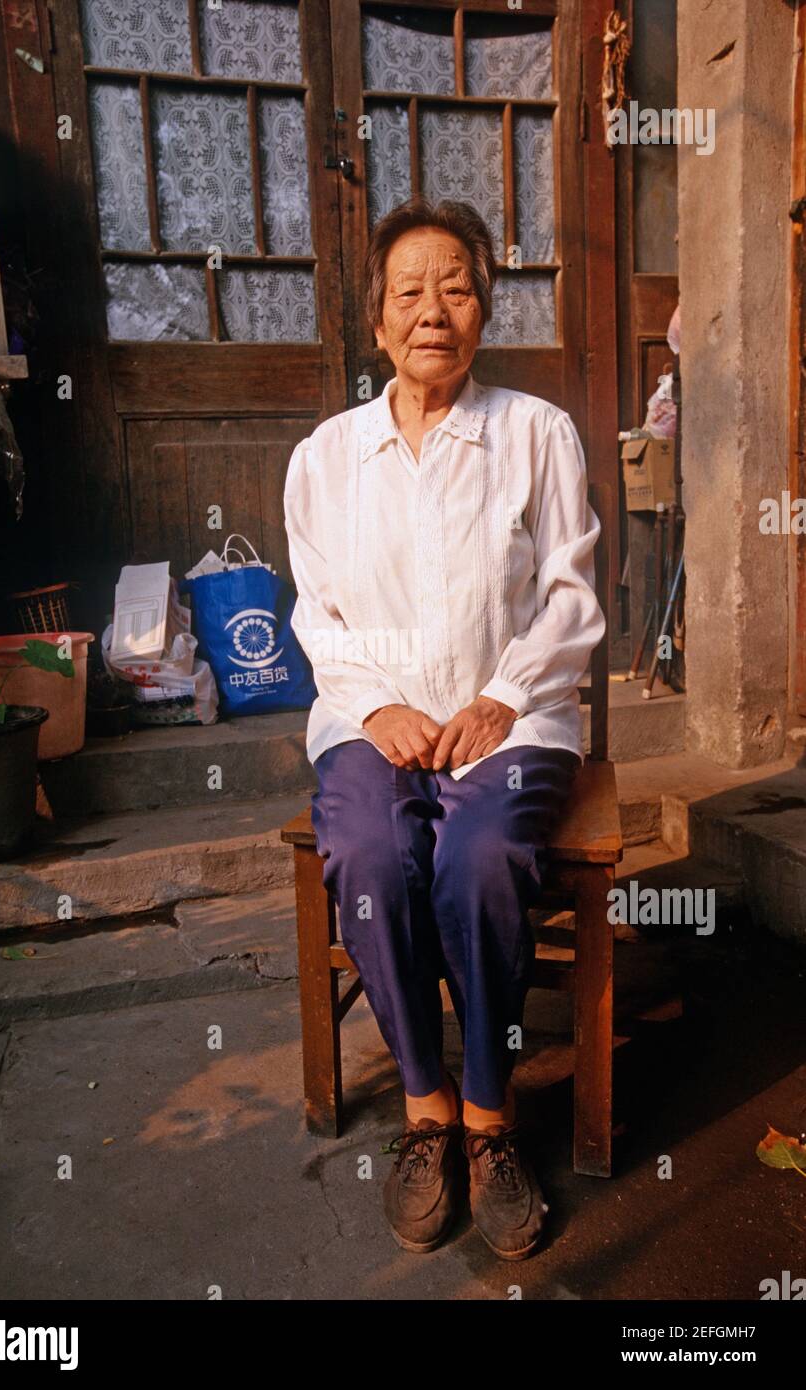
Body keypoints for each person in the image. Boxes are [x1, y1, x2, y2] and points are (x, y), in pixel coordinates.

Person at [282, 196, 605, 1260]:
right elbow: (316, 614)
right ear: (376, 320)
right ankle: (425, 1108)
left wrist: (501, 698)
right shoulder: (326, 457)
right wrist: (378, 707)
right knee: (372, 856)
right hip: (370, 718)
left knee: (478, 858)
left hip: (511, 717)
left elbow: (570, 595)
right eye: (410, 292)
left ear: (483, 312)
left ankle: (488, 1115)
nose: (434, 311)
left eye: (457, 289)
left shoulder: (535, 433)